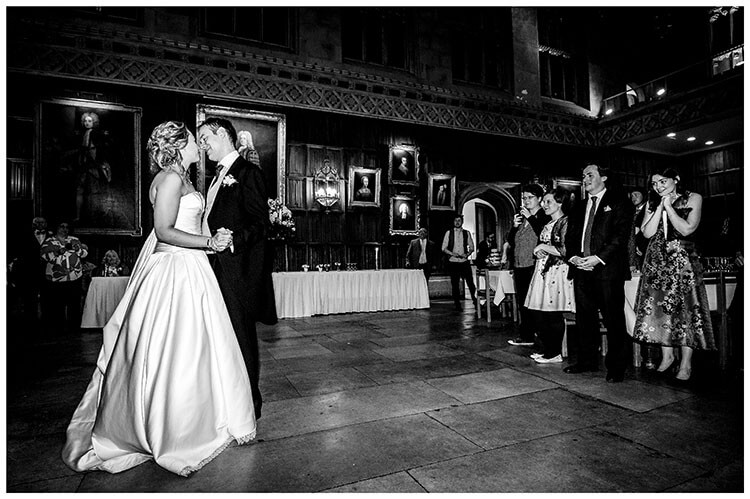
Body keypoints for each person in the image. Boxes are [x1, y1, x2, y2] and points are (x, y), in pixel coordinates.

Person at [62, 121, 256, 477]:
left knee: (200, 348)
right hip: (175, 273)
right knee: (175, 349)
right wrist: (208, 244)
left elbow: (193, 223)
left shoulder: (184, 179)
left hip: (194, 268)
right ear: (180, 145)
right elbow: (165, 230)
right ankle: (169, 430)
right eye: (195, 142)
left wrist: (217, 237)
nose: (200, 146)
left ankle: (199, 418)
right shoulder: (169, 179)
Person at [199, 116, 277, 420]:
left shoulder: (248, 173)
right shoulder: (216, 177)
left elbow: (261, 223)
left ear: (222, 134)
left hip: (236, 270)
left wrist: (233, 241)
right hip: (212, 267)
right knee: (220, 338)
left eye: (205, 138)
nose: (203, 146)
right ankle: (226, 399)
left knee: (241, 338)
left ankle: (249, 406)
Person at [633, 168, 715, 381]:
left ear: (676, 179)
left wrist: (669, 208)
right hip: (657, 261)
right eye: (654, 183)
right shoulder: (652, 202)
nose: (658, 187)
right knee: (660, 309)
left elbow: (687, 229)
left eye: (662, 181)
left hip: (682, 260)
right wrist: (660, 205)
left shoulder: (693, 198)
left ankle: (686, 364)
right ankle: (667, 356)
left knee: (687, 309)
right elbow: (647, 233)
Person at [564, 163, 633, 382]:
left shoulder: (619, 202)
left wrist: (597, 258)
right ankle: (587, 361)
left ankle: (616, 367)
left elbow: (620, 237)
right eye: (583, 175)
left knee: (613, 319)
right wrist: (574, 257)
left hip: (607, 270)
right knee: (585, 319)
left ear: (603, 177)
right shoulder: (579, 205)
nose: (584, 179)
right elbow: (571, 236)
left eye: (589, 175)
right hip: (581, 269)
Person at [525, 189, 575, 363]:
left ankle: (555, 353)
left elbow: (565, 250)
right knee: (542, 312)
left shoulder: (565, 222)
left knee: (553, 313)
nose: (544, 205)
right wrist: (539, 251)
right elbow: (545, 245)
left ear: (560, 203)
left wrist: (542, 248)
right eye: (544, 202)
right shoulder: (549, 223)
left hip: (557, 271)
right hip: (544, 269)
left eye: (548, 202)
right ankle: (548, 348)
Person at [502, 184, 550, 346]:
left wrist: (530, 217)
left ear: (540, 199)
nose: (526, 201)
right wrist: (515, 227)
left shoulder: (544, 216)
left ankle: (541, 335)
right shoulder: (522, 217)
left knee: (536, 302)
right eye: (524, 198)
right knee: (523, 302)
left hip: (535, 264)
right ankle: (527, 335)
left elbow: (543, 234)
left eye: (530, 198)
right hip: (519, 264)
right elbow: (510, 241)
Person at [39, 222, 88, 335]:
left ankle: (74, 328)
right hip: (56, 279)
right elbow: (44, 256)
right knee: (57, 304)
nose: (65, 229)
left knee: (74, 304)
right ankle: (58, 328)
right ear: (57, 228)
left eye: (67, 227)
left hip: (74, 277)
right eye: (62, 227)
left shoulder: (74, 239)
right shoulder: (49, 241)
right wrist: (57, 252)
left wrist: (78, 249)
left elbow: (84, 254)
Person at [9, 217, 51, 328]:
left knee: (47, 298)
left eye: (42, 222)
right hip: (29, 272)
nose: (40, 225)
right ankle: (31, 323)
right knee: (30, 299)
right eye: (37, 223)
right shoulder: (24, 236)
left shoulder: (52, 237)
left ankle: (47, 322)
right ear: (33, 225)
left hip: (47, 271)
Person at [76, 112, 112, 223]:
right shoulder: (83, 134)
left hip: (93, 165)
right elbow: (83, 150)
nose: (87, 123)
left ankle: (94, 215)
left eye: (90, 121)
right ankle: (79, 215)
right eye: (85, 121)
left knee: (94, 191)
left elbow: (98, 151)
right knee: (80, 190)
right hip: (84, 165)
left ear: (94, 122)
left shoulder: (96, 135)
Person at [442, 214, 477, 311]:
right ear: (453, 222)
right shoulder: (449, 233)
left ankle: (475, 300)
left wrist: (468, 254)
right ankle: (457, 304)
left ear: (462, 222)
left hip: (464, 261)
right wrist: (452, 253)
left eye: (459, 220)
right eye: (456, 220)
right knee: (455, 284)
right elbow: (443, 248)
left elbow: (472, 247)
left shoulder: (467, 233)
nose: (457, 222)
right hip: (453, 262)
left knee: (470, 283)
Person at [627, 187, 648, 272]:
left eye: (636, 195)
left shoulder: (648, 209)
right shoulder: (630, 211)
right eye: (632, 196)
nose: (633, 198)